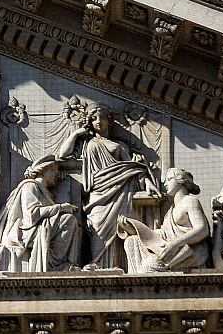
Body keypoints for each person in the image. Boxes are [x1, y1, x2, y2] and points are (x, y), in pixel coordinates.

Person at [54, 98, 158, 269]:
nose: (98, 122)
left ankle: (121, 267)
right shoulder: (87, 143)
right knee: (97, 231)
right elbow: (62, 156)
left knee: (120, 229)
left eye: (102, 118)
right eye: (94, 118)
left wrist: (148, 183)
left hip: (122, 191)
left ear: (109, 121)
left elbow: (133, 169)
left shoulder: (120, 145)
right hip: (97, 193)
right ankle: (97, 265)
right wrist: (76, 134)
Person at [0, 155, 83, 273]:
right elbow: (32, 214)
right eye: (54, 171)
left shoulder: (43, 191)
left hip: (37, 226)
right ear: (44, 172)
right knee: (68, 220)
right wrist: (61, 208)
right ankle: (56, 264)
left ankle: (63, 262)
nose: (57, 175)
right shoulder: (30, 186)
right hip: (26, 230)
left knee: (75, 223)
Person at [118, 167, 209, 273]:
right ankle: (134, 279)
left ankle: (143, 281)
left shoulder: (190, 201)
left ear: (181, 181)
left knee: (149, 267)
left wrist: (174, 244)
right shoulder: (171, 209)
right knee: (131, 241)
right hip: (170, 247)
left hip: (188, 250)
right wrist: (134, 230)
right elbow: (164, 233)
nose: (165, 183)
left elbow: (202, 229)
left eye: (169, 179)